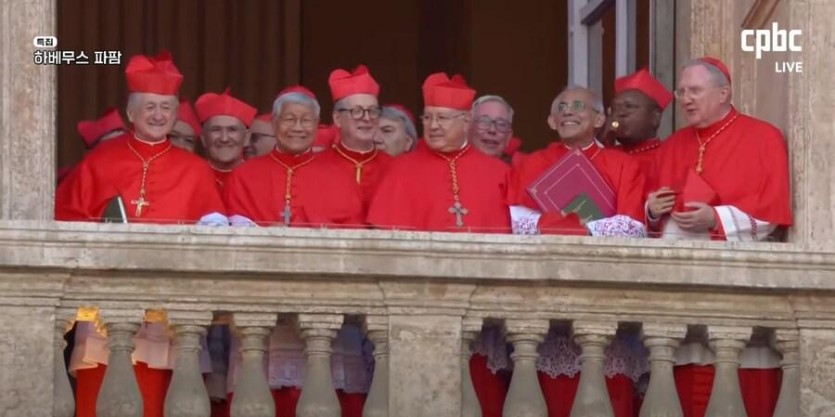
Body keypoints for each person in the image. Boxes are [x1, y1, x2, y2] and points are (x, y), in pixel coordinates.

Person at [55, 50, 227, 225]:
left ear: (175, 115)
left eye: (166, 108)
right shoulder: (98, 161)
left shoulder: (197, 170)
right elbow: (65, 217)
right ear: (131, 113)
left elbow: (213, 230)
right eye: (150, 107)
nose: (158, 116)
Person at [646, 57, 792, 242]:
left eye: (695, 91)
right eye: (681, 92)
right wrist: (652, 210)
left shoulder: (765, 138)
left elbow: (771, 210)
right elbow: (647, 213)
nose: (686, 99)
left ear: (723, 94)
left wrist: (716, 219)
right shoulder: (671, 145)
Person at [366, 72, 510, 233]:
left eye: (442, 118)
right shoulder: (400, 169)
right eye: (427, 117)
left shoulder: (499, 173)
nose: (433, 126)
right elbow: (384, 238)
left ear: (466, 121)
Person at [506, 86, 646, 237]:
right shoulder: (532, 163)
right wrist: (566, 226)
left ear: (599, 120)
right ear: (552, 121)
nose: (567, 112)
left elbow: (633, 226)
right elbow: (518, 222)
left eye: (578, 106)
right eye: (562, 107)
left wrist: (576, 228)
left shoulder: (623, 164)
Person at [223, 85, 363, 228]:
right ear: (274, 123)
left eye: (306, 120)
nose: (297, 128)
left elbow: (353, 233)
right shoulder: (244, 176)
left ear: (316, 124)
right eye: (289, 119)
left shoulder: (341, 178)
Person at [317, 65, 393, 211]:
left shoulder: (393, 168)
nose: (367, 118)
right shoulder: (317, 166)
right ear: (337, 118)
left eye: (372, 111)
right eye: (357, 111)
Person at [604, 68, 673, 178]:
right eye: (614, 108)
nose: (620, 113)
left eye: (629, 106)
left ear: (655, 117)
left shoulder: (668, 158)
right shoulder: (605, 153)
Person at [195, 89, 257, 188]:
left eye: (232, 130)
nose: (224, 139)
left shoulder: (260, 178)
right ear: (203, 138)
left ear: (247, 138)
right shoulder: (191, 177)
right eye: (216, 130)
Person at [468, 95, 515, 162]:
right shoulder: (453, 165)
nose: (492, 130)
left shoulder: (516, 168)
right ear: (468, 128)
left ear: (508, 137)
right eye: (484, 121)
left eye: (501, 124)